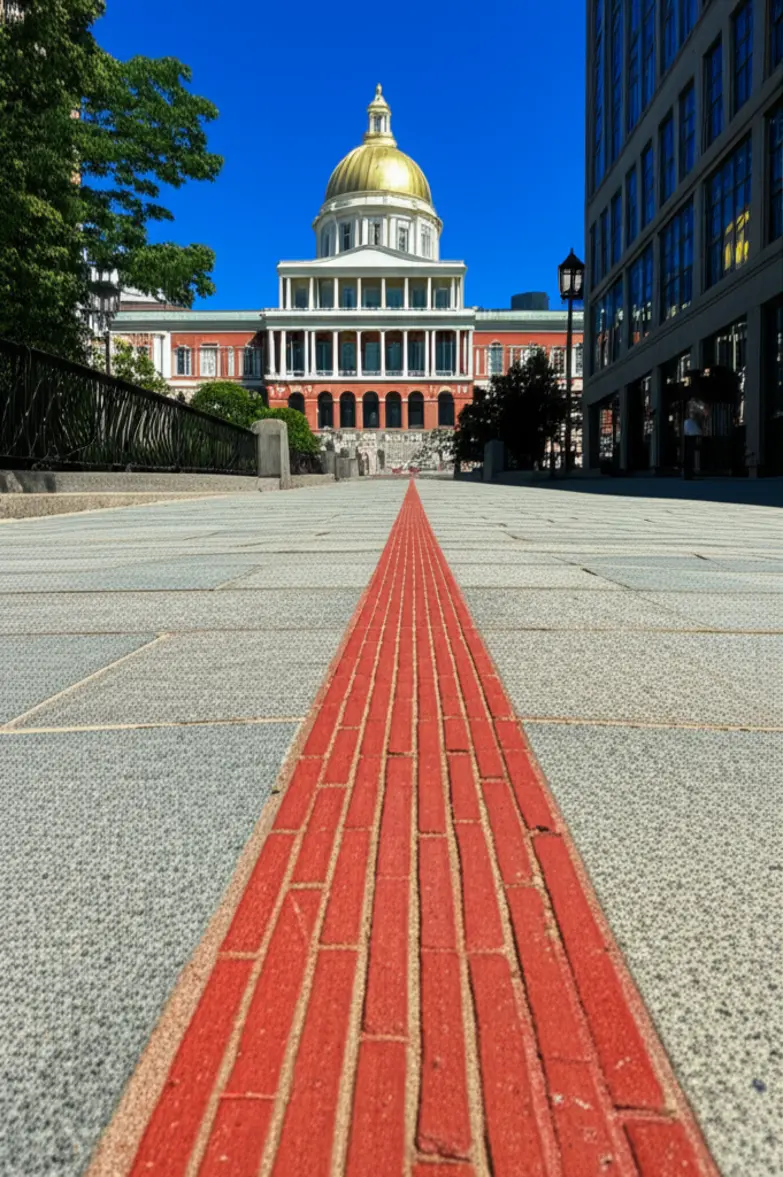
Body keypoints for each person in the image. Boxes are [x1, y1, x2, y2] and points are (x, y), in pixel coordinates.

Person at [682, 406, 702, 480]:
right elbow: (697, 431)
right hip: (691, 437)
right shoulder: (691, 422)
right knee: (690, 455)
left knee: (689, 455)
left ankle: (688, 472)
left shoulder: (687, 422)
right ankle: (689, 472)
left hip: (689, 437)